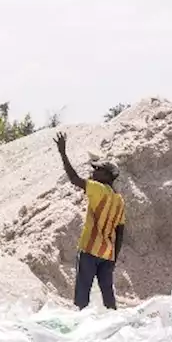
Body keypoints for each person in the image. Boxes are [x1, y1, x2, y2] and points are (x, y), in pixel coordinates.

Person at [54, 132, 126, 310]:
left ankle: (81, 323)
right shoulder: (119, 200)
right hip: (107, 254)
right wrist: (113, 258)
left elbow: (74, 179)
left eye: (98, 169)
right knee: (108, 294)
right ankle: (114, 322)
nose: (93, 171)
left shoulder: (97, 188)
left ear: (108, 176)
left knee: (82, 293)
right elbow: (120, 232)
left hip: (90, 250)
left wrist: (63, 153)